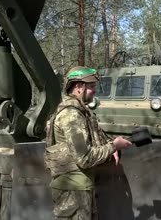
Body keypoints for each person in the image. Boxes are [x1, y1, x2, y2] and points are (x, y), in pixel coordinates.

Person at [44, 66, 132, 220]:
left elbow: (93, 139)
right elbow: (84, 158)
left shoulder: (80, 112)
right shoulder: (71, 116)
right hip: (73, 191)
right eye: (91, 87)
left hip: (79, 188)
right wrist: (113, 146)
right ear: (79, 87)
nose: (94, 91)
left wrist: (111, 146)